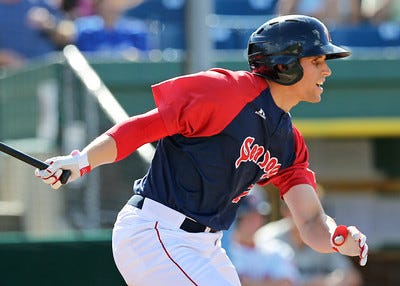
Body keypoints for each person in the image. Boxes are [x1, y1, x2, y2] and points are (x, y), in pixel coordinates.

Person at [35, 15, 368, 286]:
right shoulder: (226, 92)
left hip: (205, 247)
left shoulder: (288, 141)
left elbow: (310, 219)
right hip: (156, 230)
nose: (326, 70)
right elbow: (141, 128)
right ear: (285, 64)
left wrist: (336, 237)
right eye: (317, 60)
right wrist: (82, 161)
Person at [255, 199, 363, 286]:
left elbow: (352, 277)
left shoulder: (325, 237)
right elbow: (252, 276)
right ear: (286, 211)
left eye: (313, 211)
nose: (308, 216)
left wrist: (328, 282)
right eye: (301, 209)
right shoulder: (267, 236)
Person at [229, 192, 300, 286]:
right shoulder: (221, 251)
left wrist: (246, 283)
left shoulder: (278, 250)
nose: (255, 222)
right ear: (237, 219)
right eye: (248, 217)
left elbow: (287, 283)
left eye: (257, 216)